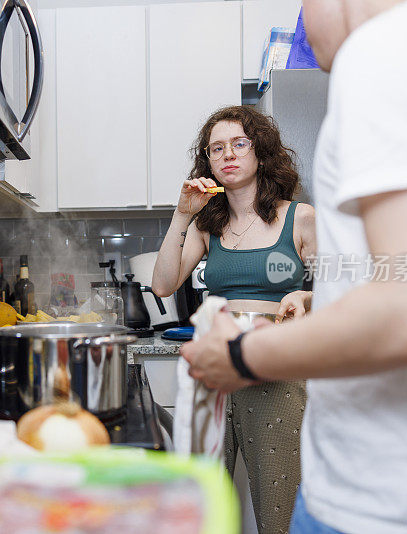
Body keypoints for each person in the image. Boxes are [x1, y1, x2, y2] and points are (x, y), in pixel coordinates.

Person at [179, 1, 407, 533]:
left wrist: (241, 353)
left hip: (389, 500)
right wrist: (322, 300)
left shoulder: (390, 48)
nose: (303, 24)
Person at [151, 105, 316, 533]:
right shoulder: (209, 225)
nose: (228, 155)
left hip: (275, 369)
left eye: (239, 144)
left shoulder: (299, 217)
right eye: (216, 148)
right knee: (204, 505)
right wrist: (183, 214)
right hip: (214, 370)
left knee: (277, 508)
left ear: (260, 151)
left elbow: (338, 288)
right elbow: (163, 285)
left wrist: (306, 294)